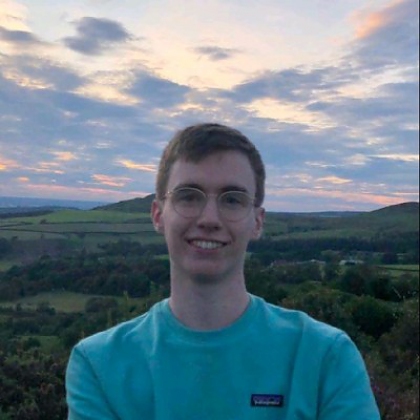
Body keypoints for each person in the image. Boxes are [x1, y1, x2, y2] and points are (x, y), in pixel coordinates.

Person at [65, 123, 380, 419]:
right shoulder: (99, 366)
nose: (209, 218)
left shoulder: (324, 357)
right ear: (158, 215)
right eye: (189, 196)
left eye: (232, 200)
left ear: (257, 221)